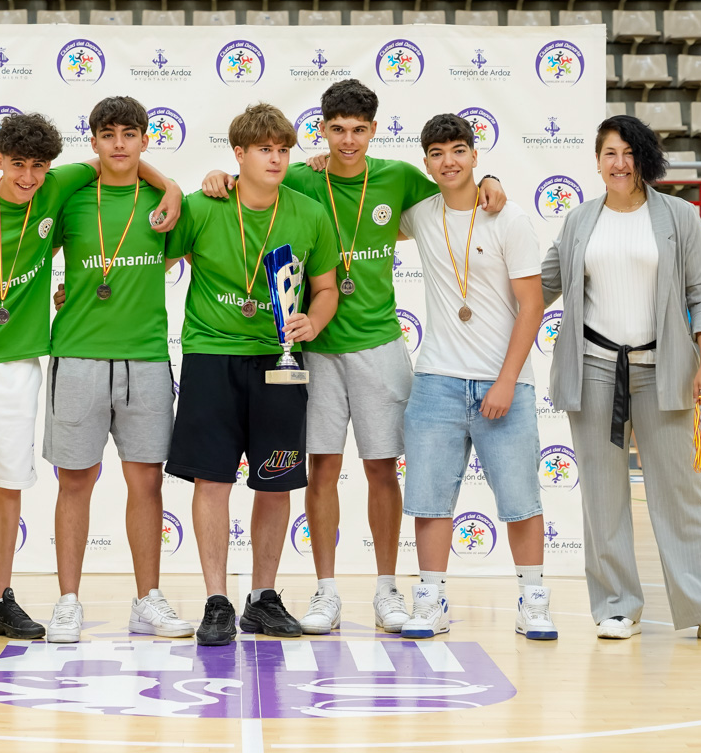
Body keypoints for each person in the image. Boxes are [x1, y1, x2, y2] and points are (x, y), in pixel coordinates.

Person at [201, 80, 506, 635]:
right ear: (321, 129)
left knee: (382, 468)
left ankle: (387, 589)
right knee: (321, 467)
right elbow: (246, 176)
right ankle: (326, 591)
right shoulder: (296, 174)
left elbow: (454, 184)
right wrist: (218, 177)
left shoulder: (398, 177)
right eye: (336, 129)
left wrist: (489, 179)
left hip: (379, 344)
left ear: (374, 130)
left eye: (358, 130)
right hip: (311, 349)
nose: (347, 140)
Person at [0, 112, 181, 649]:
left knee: (10, 483)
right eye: (18, 165)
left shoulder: (59, 184)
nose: (29, 177)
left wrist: (171, 184)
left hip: (23, 362)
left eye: (38, 167)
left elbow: (114, 160)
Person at [541, 115, 701, 644]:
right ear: (596, 160)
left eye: (629, 153)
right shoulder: (578, 221)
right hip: (593, 370)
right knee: (601, 495)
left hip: (665, 370)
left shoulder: (678, 217)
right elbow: (539, 283)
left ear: (644, 159)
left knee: (681, 492)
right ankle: (616, 605)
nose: (620, 163)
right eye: (610, 153)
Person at [166, 102, 339, 647]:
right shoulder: (202, 205)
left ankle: (262, 598)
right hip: (211, 357)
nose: (277, 158)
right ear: (238, 154)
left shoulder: (309, 212)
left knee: (276, 480)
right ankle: (217, 599)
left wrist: (316, 318)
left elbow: (327, 286)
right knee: (213, 480)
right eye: (264, 149)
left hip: (281, 360)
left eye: (284, 149)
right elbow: (155, 262)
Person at [396, 114, 555, 641]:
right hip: (437, 380)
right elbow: (360, 207)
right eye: (437, 153)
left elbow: (532, 306)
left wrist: (506, 380)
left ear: (476, 155)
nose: (449, 161)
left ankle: (533, 598)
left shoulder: (507, 219)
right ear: (427, 163)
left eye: (459, 150)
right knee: (428, 499)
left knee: (519, 499)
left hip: (503, 380)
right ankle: (430, 598)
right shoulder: (419, 213)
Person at [43, 97, 192, 643]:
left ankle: (147, 599)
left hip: (147, 357)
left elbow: (201, 257)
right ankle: (67, 601)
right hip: (78, 353)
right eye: (108, 134)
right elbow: (26, 250)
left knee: (146, 481)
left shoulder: (165, 202)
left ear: (146, 140)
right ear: (95, 142)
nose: (120, 144)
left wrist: (173, 185)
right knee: (74, 481)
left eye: (130, 134)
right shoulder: (70, 195)